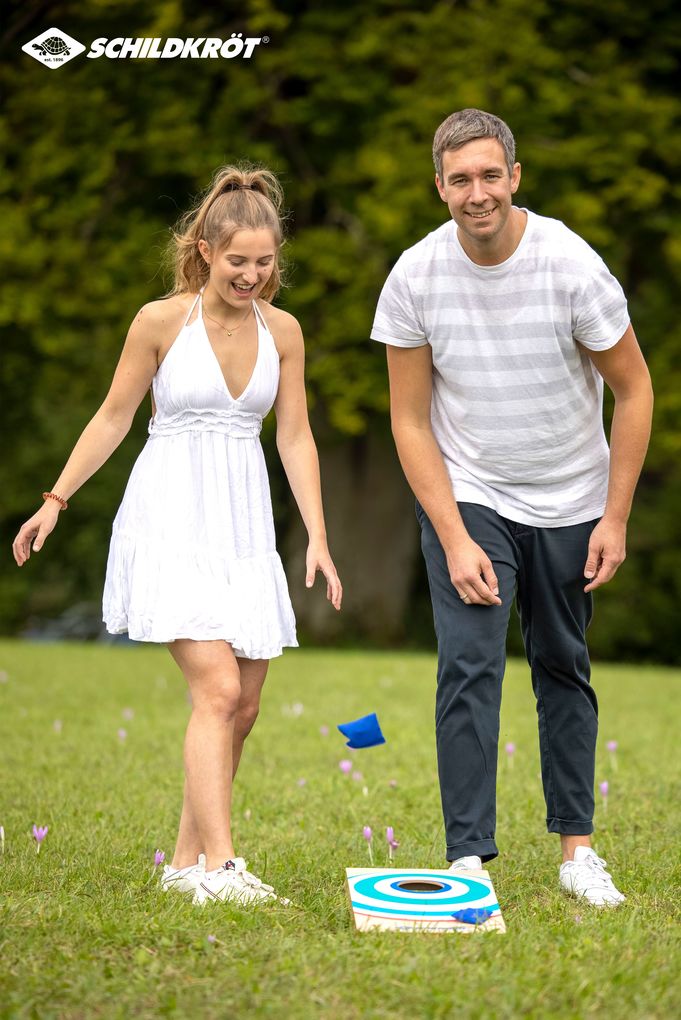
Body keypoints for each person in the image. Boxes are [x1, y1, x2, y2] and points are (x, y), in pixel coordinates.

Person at [13, 165, 342, 906]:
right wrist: (56, 499)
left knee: (245, 704)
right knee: (218, 689)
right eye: (237, 262)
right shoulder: (160, 321)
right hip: (171, 515)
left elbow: (295, 438)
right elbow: (112, 417)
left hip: (243, 525)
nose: (251, 275)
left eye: (264, 263)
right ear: (203, 250)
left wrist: (317, 536)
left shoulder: (283, 333)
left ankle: (186, 862)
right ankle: (223, 870)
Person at [371, 109, 653, 907]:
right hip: (470, 490)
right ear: (439, 187)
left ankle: (577, 853)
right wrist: (454, 534)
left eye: (489, 175)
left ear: (514, 177)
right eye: (459, 179)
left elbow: (633, 390)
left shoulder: (569, 263)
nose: (476, 192)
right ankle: (466, 861)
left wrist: (614, 516)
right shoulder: (414, 276)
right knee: (468, 661)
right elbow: (407, 419)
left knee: (562, 663)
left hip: (570, 494)